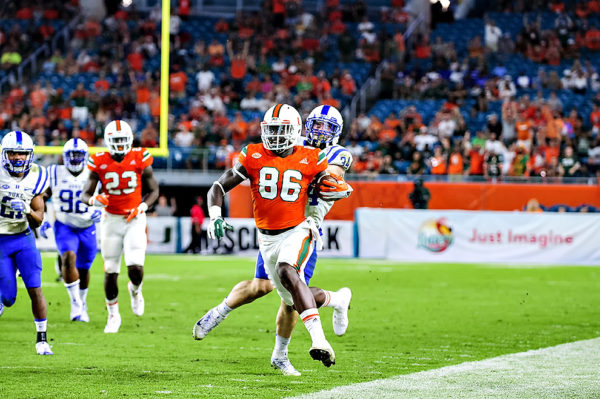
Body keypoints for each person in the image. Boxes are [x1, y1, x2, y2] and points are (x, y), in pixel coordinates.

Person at [193, 105, 354, 375]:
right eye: (317, 124)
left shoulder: (333, 155)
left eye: (327, 126)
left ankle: (285, 353)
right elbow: (225, 183)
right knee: (261, 287)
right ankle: (335, 299)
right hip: (272, 228)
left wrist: (333, 182)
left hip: (304, 226)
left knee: (290, 292)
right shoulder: (290, 145)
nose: (320, 131)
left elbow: (332, 175)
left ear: (336, 132)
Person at [81, 120, 159, 333]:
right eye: (116, 141)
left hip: (134, 219)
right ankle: (113, 315)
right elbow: (84, 194)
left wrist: (142, 207)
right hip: (111, 220)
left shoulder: (140, 157)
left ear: (130, 140)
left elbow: (154, 190)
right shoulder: (99, 161)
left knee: (135, 267)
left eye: (123, 140)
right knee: (111, 270)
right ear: (107, 141)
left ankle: (135, 290)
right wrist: (95, 200)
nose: (120, 144)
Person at [0, 131, 53, 355]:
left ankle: (42, 340)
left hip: (23, 238)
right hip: (1, 240)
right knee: (9, 297)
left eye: (22, 153)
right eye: (13, 153)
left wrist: (28, 211)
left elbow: (39, 218)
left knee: (35, 286)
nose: (18, 158)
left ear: (29, 155)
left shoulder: (37, 175)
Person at [40, 138, 101, 322]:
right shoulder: (54, 172)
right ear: (64, 157)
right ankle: (75, 304)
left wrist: (100, 210)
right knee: (68, 258)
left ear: (85, 156)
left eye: (78, 155)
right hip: (64, 225)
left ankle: (82, 303)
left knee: (83, 268)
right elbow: (42, 196)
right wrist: (42, 218)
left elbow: (107, 196)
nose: (75, 159)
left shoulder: (94, 172)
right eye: (71, 155)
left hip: (87, 226)